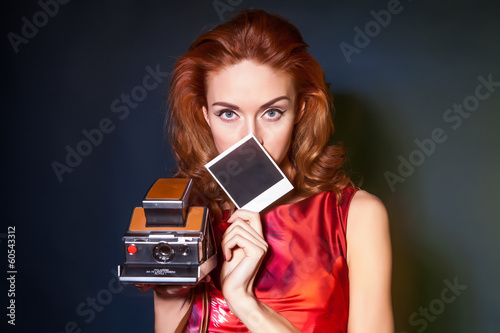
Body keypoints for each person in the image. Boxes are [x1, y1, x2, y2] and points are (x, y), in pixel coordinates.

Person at [149, 8, 393, 333]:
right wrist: (171, 293)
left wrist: (244, 301)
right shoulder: (186, 219)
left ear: (300, 110)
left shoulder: (356, 216)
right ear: (205, 114)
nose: (251, 137)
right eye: (228, 114)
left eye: (272, 112)